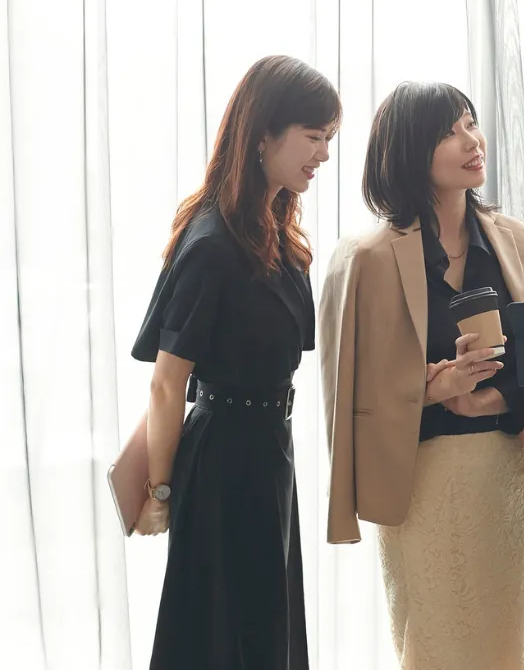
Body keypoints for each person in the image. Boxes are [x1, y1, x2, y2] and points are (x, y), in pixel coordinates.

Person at [318, 81, 524, 670]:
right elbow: (346, 392)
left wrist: (496, 398)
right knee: (436, 647)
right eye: (450, 131)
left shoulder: (516, 242)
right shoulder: (366, 257)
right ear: (408, 150)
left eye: (471, 122)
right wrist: (431, 389)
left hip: (501, 481)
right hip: (417, 485)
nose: (472, 141)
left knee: (507, 647)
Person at [130, 55, 340, 670]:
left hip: (266, 449)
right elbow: (168, 384)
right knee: (228, 631)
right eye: (313, 137)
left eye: (328, 139)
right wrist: (159, 490)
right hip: (224, 460)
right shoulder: (214, 241)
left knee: (262, 623)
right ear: (263, 136)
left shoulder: (273, 230)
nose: (323, 155)